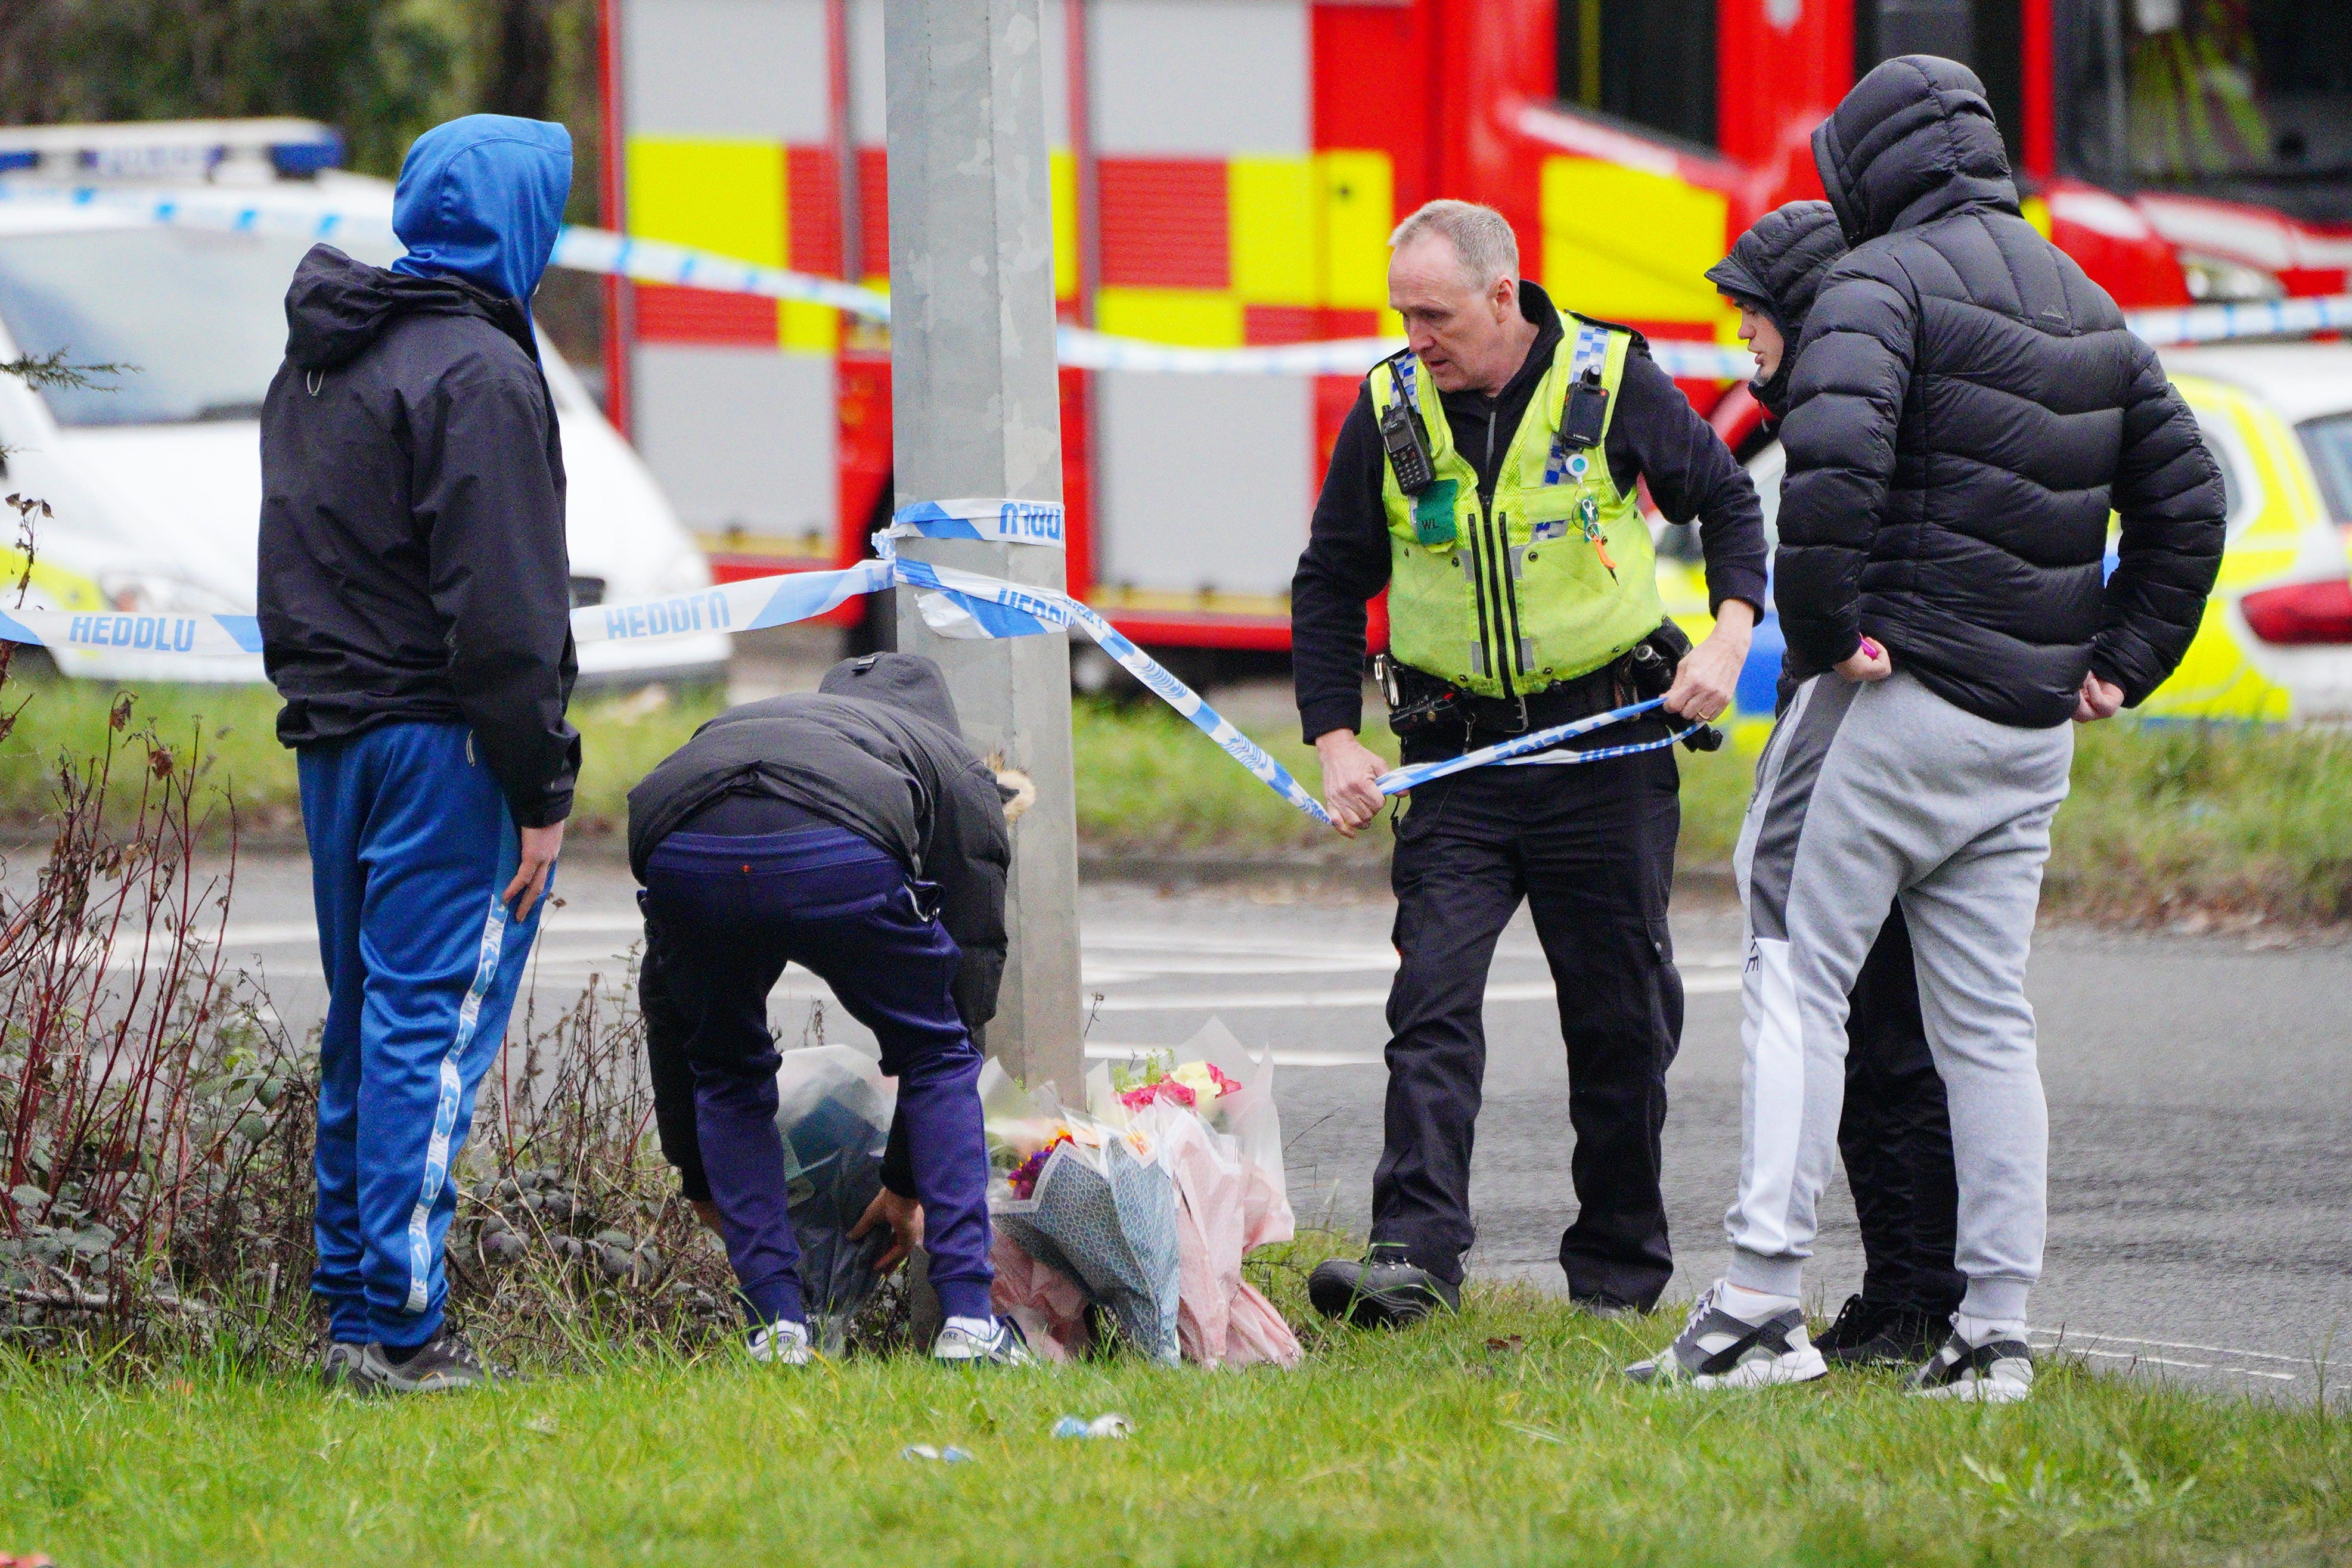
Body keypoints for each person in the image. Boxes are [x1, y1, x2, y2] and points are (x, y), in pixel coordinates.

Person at [1628, 57, 2225, 1399]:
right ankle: (1992, 1332)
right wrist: (2117, 660)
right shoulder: (2090, 304)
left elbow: (1826, 466)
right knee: (1987, 1026)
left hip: (1892, 701)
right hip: (2027, 734)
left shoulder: (1874, 282)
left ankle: (1754, 1308)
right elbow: (2189, 509)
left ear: (1866, 168)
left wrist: (1828, 632)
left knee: (1791, 974)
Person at [1292, 199, 1770, 1325]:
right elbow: (1328, 582)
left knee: (1618, 1021)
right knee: (1432, 1006)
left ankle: (1614, 1280)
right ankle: (1411, 1259)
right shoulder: (1389, 404)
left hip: (1602, 747)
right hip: (1453, 757)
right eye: (1403, 313)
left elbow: (1729, 502)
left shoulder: (1608, 382)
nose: (1416, 337)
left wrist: (1730, 632)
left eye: (1437, 314)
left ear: (1503, 296)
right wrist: (1334, 736)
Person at [259, 114, 580, 1394]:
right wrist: (540, 781)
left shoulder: (329, 357)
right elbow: (500, 613)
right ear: (522, 226)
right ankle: (403, 1324)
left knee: (367, 1027)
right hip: (449, 749)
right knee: (428, 1032)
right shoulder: (480, 375)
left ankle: (351, 1308)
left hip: (337, 739)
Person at [1704, 200, 1966, 1367]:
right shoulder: (1857, 385)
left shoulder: (1848, 401)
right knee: (1897, 1017)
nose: (1742, 338)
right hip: (1933, 731)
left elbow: (1829, 558)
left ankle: (1910, 1296)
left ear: (1800, 311)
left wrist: (1823, 651)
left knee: (1857, 1011)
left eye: (1753, 318)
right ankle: (1927, 1295)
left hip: (1866, 728)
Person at [628, 652, 1031, 1366]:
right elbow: (961, 1009)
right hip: (836, 843)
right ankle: (971, 1323)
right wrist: (905, 1186)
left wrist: (696, 1171)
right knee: (935, 1051)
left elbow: (669, 1013)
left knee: (723, 1066)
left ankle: (775, 1329)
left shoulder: (767, 722)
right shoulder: (956, 772)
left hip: (682, 837)